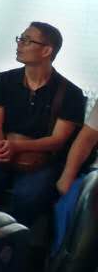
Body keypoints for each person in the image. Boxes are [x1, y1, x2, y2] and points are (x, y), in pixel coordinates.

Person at [0, 23, 85, 227]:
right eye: (20, 38)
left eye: (27, 40)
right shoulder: (3, 80)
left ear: (47, 50)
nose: (19, 44)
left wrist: (18, 146)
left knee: (28, 195)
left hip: (41, 160)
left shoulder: (71, 93)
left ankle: (16, 239)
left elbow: (57, 140)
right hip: (2, 152)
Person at [53, 101, 98, 256]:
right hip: (95, 175)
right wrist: (68, 175)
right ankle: (59, 261)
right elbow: (86, 139)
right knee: (69, 205)